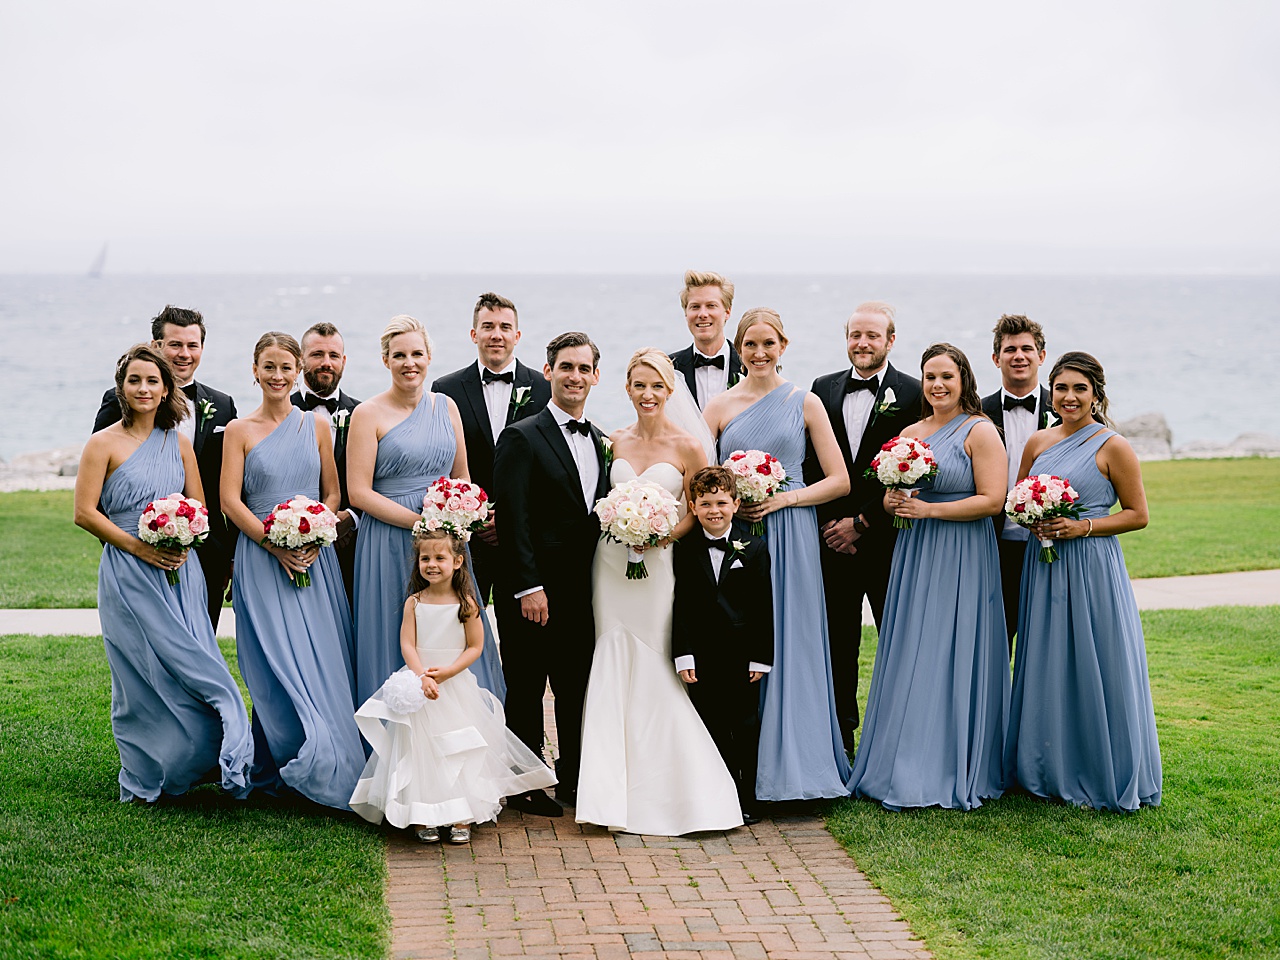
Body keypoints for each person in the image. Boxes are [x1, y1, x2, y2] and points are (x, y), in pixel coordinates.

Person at [74, 343, 252, 802]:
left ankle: (211, 752)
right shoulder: (102, 443)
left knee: (192, 662)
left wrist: (183, 536)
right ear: (121, 387)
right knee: (139, 673)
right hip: (128, 573)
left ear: (167, 387)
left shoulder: (179, 442)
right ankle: (147, 767)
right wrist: (138, 546)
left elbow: (200, 508)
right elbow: (85, 513)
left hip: (180, 571)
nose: (144, 388)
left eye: (153, 380)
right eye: (135, 380)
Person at [575, 350, 743, 836]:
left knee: (654, 660)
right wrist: (622, 526)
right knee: (610, 656)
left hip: (658, 566)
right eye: (638, 385)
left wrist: (658, 535)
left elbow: (697, 507)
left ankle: (679, 791)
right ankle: (607, 794)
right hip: (609, 566)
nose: (647, 395)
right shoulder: (612, 442)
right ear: (626, 388)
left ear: (671, 391)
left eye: (657, 386)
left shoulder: (690, 445)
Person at [849, 343, 1010, 811]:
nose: (937, 385)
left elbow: (992, 500)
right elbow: (887, 495)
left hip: (963, 552)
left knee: (952, 648)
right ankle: (903, 758)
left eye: (947, 376)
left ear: (964, 380)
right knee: (914, 648)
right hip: (915, 553)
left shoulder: (981, 431)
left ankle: (953, 762)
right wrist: (894, 503)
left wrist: (928, 509)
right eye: (930, 377)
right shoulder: (910, 431)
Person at [704, 308, 852, 802]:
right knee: (739, 638)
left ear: (783, 346)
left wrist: (785, 496)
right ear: (738, 348)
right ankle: (740, 764)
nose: (759, 352)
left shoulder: (805, 401)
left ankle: (796, 767)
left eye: (768, 343)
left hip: (791, 531)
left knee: (792, 636)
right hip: (738, 532)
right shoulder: (719, 407)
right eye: (749, 344)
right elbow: (701, 477)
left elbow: (839, 480)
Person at [1005, 352, 1161, 812]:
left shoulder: (1113, 445)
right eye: (1061, 388)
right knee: (1046, 660)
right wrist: (1034, 520)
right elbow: (1017, 501)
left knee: (1097, 660)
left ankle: (1099, 768)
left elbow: (1138, 515)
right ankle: (1044, 769)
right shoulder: (1036, 442)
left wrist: (1083, 527)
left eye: (1079, 389)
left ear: (1096, 394)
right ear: (1050, 392)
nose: (1069, 397)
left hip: (1092, 566)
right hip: (1044, 565)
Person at [221, 332, 365, 809]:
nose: (278, 376)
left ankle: (324, 754)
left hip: (314, 559)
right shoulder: (239, 431)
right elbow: (229, 501)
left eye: (286, 367)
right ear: (255, 371)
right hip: (261, 560)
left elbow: (333, 494)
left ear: (298, 370)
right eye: (269, 367)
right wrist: (273, 543)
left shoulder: (317, 426)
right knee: (271, 661)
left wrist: (312, 531)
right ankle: (280, 762)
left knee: (323, 655)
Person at [350, 529, 557, 843]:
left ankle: (460, 814)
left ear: (458, 561)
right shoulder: (414, 603)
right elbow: (407, 643)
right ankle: (424, 813)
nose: (432, 564)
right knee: (422, 749)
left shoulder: (467, 604)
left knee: (457, 750)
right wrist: (422, 677)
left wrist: (446, 674)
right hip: (422, 685)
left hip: (454, 684)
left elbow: (475, 647)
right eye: (425, 558)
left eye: (440, 558)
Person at [347, 315, 505, 708]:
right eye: (399, 355)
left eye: (417, 353)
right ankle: (393, 735)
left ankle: (460, 725)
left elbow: (462, 474)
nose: (409, 363)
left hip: (445, 542)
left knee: (454, 625)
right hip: (388, 539)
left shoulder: (446, 406)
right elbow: (359, 493)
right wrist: (423, 523)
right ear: (385, 360)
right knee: (393, 631)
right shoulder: (367, 415)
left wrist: (459, 512)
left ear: (429, 356)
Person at [492, 332, 609, 816]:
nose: (574, 377)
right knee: (525, 686)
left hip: (583, 590)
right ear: (548, 372)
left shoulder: (602, 440)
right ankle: (524, 783)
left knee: (575, 684)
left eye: (583, 369)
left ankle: (574, 777)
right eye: (566, 367)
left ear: (596, 376)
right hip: (532, 590)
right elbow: (512, 519)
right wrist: (528, 586)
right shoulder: (521, 435)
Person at [805, 301, 922, 750]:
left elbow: (912, 470)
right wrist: (832, 525)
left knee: (898, 640)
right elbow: (813, 463)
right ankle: (841, 740)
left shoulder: (912, 393)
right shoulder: (822, 389)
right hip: (833, 541)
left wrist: (862, 522)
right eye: (856, 334)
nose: (863, 343)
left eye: (873, 335)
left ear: (891, 341)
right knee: (837, 644)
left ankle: (896, 740)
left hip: (888, 541)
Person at [92, 305, 236, 629]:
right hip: (140, 552)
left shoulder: (223, 405)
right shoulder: (120, 401)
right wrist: (127, 546)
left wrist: (231, 554)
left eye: (192, 345)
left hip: (207, 552)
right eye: (175, 345)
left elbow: (233, 483)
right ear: (156, 346)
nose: (184, 354)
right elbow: (101, 486)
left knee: (199, 647)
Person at [431, 292, 551, 604]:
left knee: (525, 636)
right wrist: (475, 516)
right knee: (462, 622)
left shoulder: (544, 388)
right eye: (487, 326)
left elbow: (550, 462)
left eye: (504, 327)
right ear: (474, 334)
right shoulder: (445, 389)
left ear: (517, 335)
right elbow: (441, 461)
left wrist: (513, 519)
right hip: (468, 535)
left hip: (527, 536)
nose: (496, 335)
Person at [673, 465, 775, 825]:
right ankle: (716, 798)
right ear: (693, 506)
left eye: (720, 502)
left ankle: (747, 798)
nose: (713, 510)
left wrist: (761, 657)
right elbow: (680, 605)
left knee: (745, 726)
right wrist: (683, 652)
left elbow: (764, 604)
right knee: (709, 726)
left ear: (735, 504)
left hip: (740, 655)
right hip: (701, 654)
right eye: (705, 504)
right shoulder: (683, 549)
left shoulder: (755, 547)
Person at [980, 314, 1054, 650]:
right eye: (1010, 349)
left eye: (1027, 348)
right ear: (996, 359)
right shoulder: (978, 414)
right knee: (994, 643)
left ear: (1041, 355)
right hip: (994, 548)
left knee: (1048, 643)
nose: (1019, 356)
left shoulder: (1068, 407)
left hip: (1053, 546)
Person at [291, 321, 362, 605]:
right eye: (317, 354)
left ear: (343, 361)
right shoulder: (279, 412)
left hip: (352, 543)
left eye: (334, 356)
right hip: (294, 539)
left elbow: (378, 477)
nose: (326, 363)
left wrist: (352, 517)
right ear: (300, 359)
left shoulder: (363, 414)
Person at [670, 270, 744, 410]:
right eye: (695, 307)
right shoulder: (669, 368)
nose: (703, 314)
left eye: (711, 305)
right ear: (686, 313)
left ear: (727, 312)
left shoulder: (750, 365)